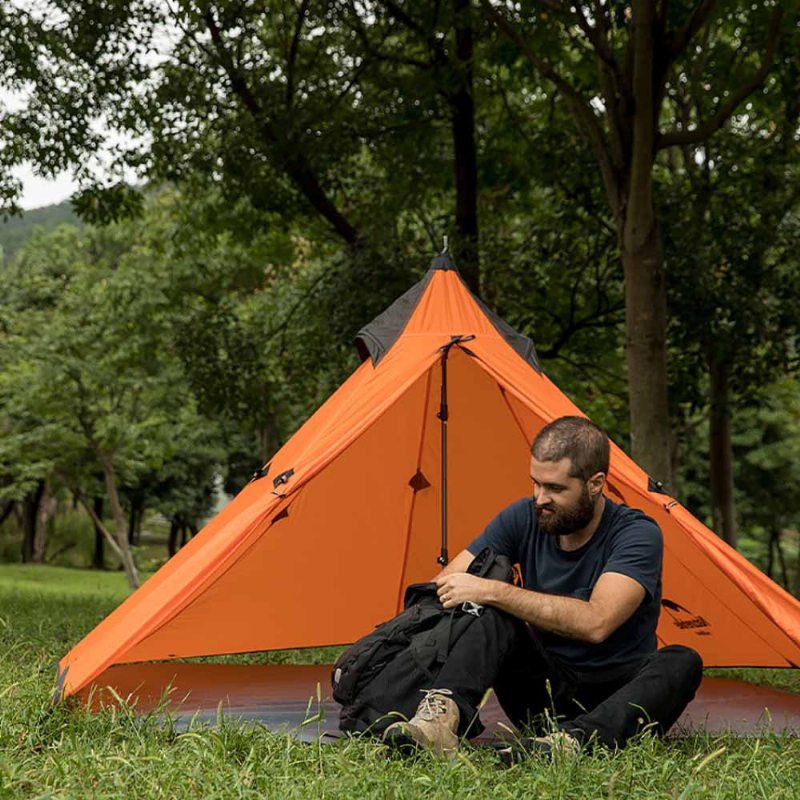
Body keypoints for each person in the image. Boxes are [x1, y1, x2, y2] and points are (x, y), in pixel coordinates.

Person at [382, 416, 703, 759]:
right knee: (488, 612)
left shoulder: (637, 534)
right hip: (542, 693)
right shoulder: (523, 517)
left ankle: (573, 743)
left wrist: (492, 590)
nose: (540, 498)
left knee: (683, 661)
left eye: (555, 488)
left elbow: (597, 623)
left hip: (618, 694)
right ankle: (437, 725)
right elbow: (445, 586)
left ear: (595, 484)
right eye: (536, 483)